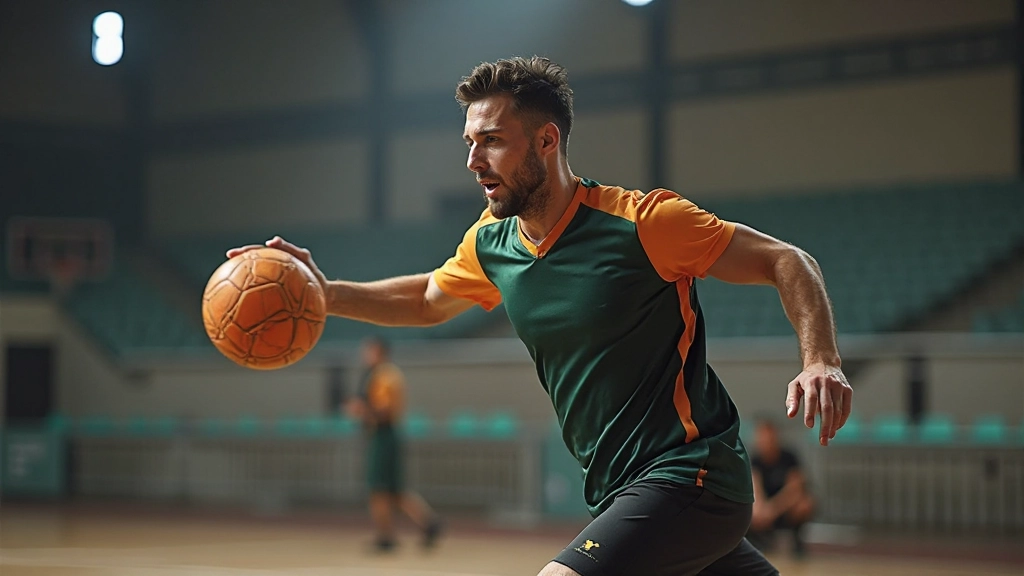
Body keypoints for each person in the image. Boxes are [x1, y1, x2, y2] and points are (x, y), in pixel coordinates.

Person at [228, 56, 853, 576]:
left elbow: (785, 259)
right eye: (470, 143)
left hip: (690, 474)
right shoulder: (491, 244)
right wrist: (323, 292)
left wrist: (819, 357)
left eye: (492, 141)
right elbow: (424, 299)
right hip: (621, 488)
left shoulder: (643, 224)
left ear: (547, 140)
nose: (474, 161)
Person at [345, 337, 441, 551]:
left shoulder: (384, 375)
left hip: (383, 434)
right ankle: (429, 523)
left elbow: (383, 411)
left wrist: (360, 410)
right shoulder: (386, 374)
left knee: (378, 488)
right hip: (389, 434)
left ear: (378, 351)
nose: (364, 355)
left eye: (368, 351)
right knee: (395, 490)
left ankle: (385, 536)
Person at [748, 417, 816, 558]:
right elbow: (755, 489)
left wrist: (773, 509)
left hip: (782, 507)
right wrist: (760, 509)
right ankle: (760, 541)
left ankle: (797, 541)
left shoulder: (789, 457)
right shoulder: (755, 460)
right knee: (748, 508)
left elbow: (795, 489)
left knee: (805, 504)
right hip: (765, 509)